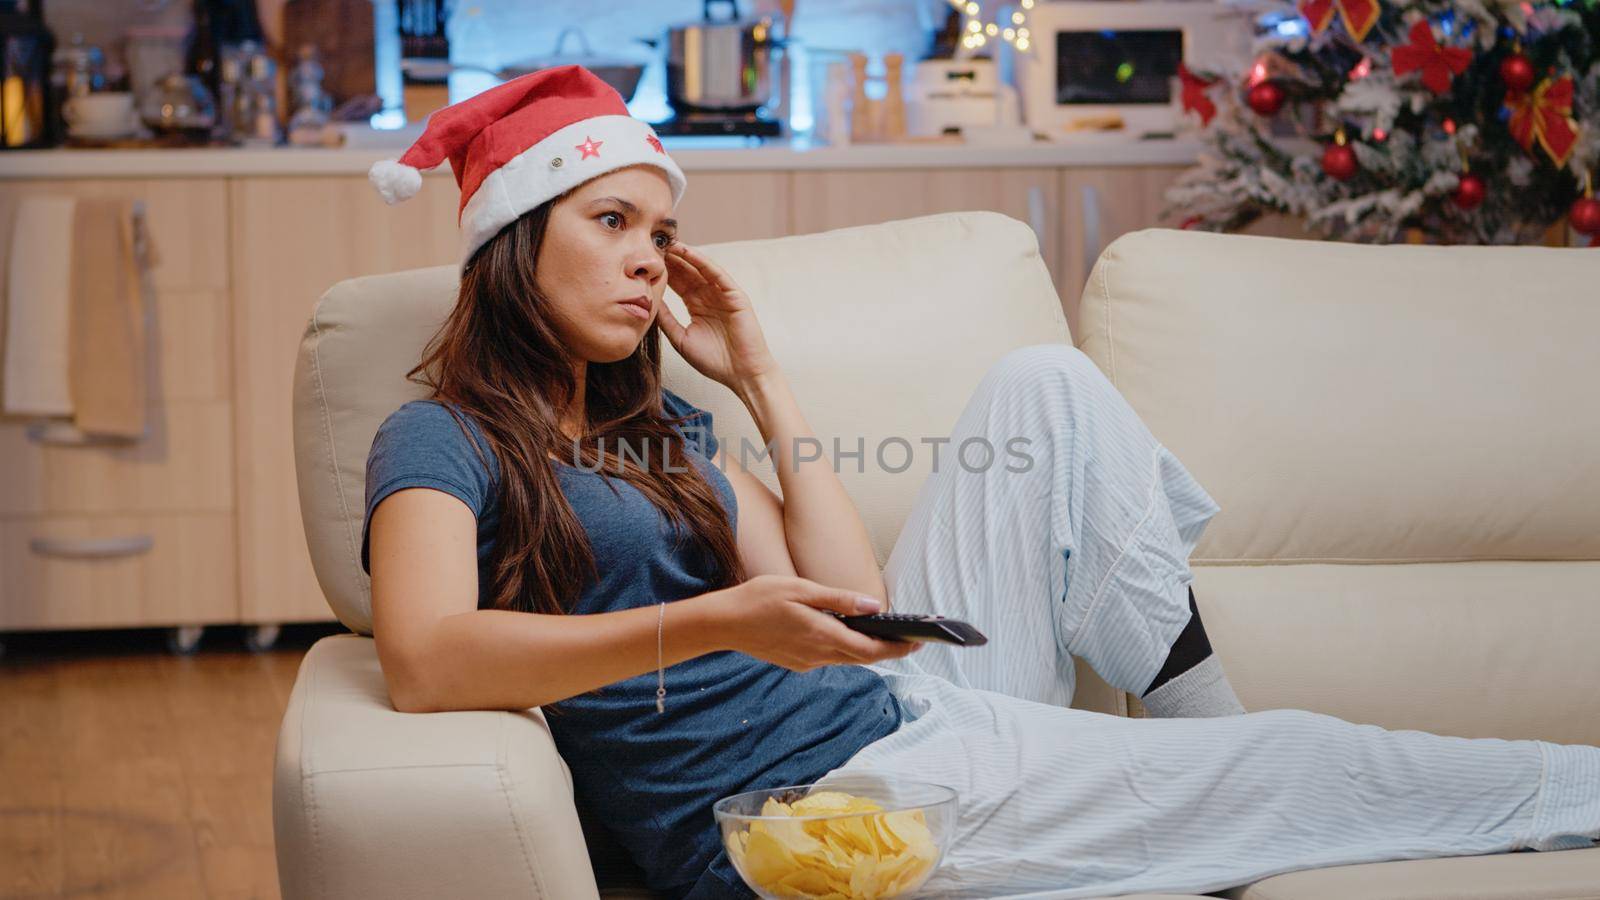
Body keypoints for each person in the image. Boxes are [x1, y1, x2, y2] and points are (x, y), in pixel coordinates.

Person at [361, 66, 1600, 900]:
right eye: (612, 223)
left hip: (898, 710)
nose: (650, 262)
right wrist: (711, 622)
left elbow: (850, 600)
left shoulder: (663, 429)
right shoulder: (441, 439)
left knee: (1040, 385)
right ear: (516, 242)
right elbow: (423, 659)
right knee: (1296, 763)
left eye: (661, 234)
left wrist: (762, 380)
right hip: (809, 813)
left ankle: (1200, 756)